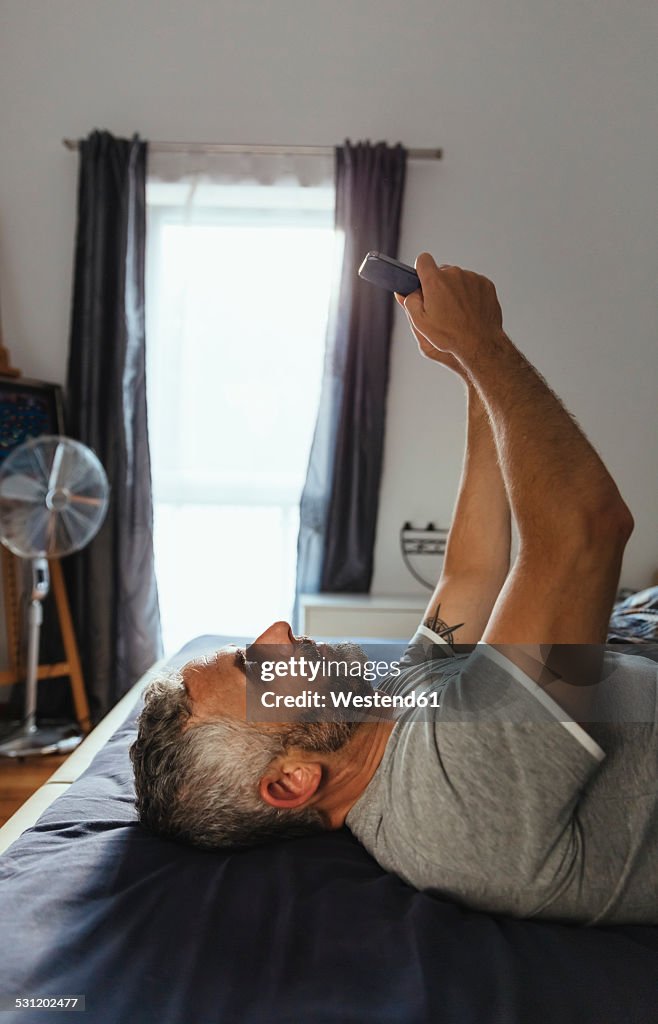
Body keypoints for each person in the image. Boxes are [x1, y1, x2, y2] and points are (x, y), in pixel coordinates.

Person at [130, 255, 658, 925]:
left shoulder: (377, 716)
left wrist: (469, 374)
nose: (278, 633)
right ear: (293, 781)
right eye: (253, 666)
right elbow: (585, 531)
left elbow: (468, 574)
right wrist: (486, 347)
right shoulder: (451, 799)